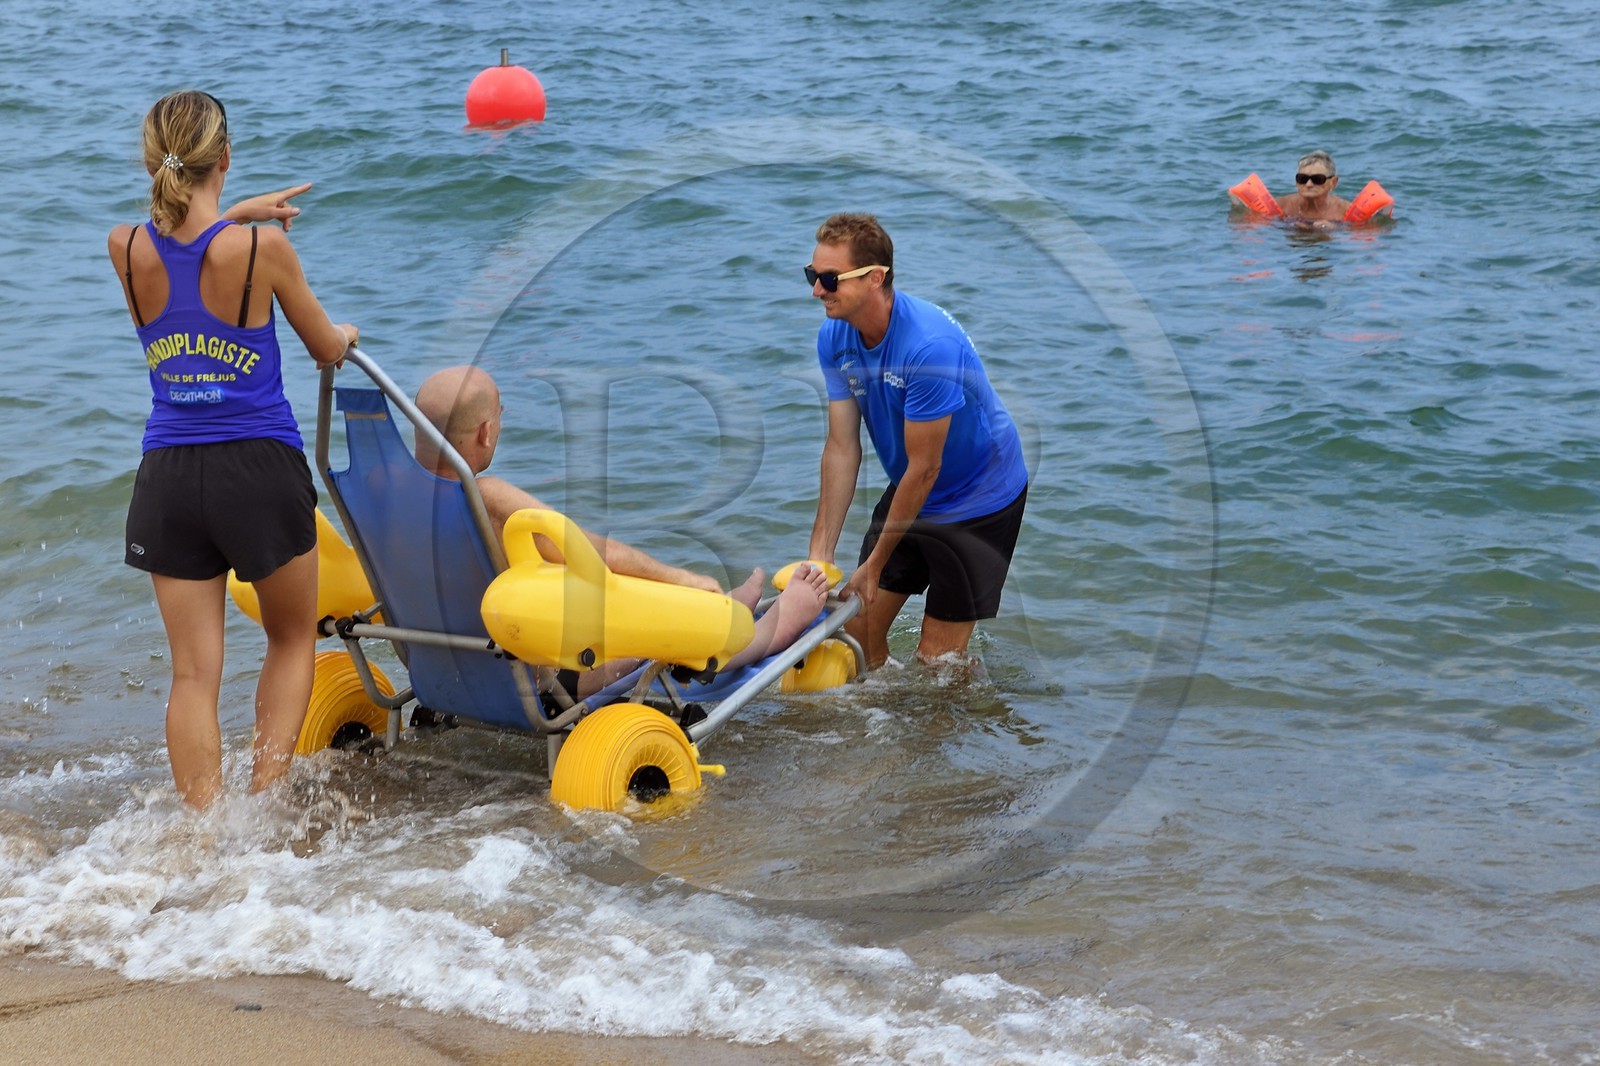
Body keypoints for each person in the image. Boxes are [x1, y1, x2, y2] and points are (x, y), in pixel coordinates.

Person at [108, 90, 358, 810]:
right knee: (291, 638)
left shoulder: (124, 248)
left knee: (193, 674)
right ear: (224, 156)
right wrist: (347, 334)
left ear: (153, 163)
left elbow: (184, 247)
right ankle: (264, 807)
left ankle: (202, 830)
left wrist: (234, 211)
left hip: (167, 476)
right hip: (257, 469)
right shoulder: (263, 251)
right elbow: (325, 349)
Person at [412, 366, 830, 687]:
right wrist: (686, 581)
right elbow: (596, 554)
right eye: (499, 413)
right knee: (670, 635)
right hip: (545, 683)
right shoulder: (486, 498)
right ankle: (768, 628)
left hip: (444, 678)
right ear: (486, 433)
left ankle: (726, 609)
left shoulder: (391, 503)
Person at [804, 213, 1029, 671]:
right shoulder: (835, 337)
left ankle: (955, 709)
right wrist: (819, 556)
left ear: (875, 278)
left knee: (937, 665)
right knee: (857, 633)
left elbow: (927, 468)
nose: (816, 291)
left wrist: (873, 564)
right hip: (914, 480)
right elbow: (842, 449)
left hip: (979, 498)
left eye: (829, 279)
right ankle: (884, 711)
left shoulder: (928, 347)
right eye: (812, 276)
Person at [1274, 150, 1351, 226]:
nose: (1308, 184)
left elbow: (1353, 231)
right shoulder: (1280, 206)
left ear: (1333, 182)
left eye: (1317, 179)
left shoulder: (1345, 211)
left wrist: (1334, 229)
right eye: (1302, 178)